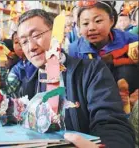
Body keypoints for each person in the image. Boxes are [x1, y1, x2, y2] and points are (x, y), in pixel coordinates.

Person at [16, 9, 134, 148]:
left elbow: (112, 125)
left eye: (36, 35)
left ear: (56, 33)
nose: (31, 47)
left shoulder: (91, 72)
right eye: (24, 42)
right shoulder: (28, 86)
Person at [68, 1, 138, 108]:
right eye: (85, 23)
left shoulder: (131, 41)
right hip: (94, 105)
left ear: (111, 21)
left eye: (98, 21)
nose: (91, 27)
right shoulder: (74, 50)